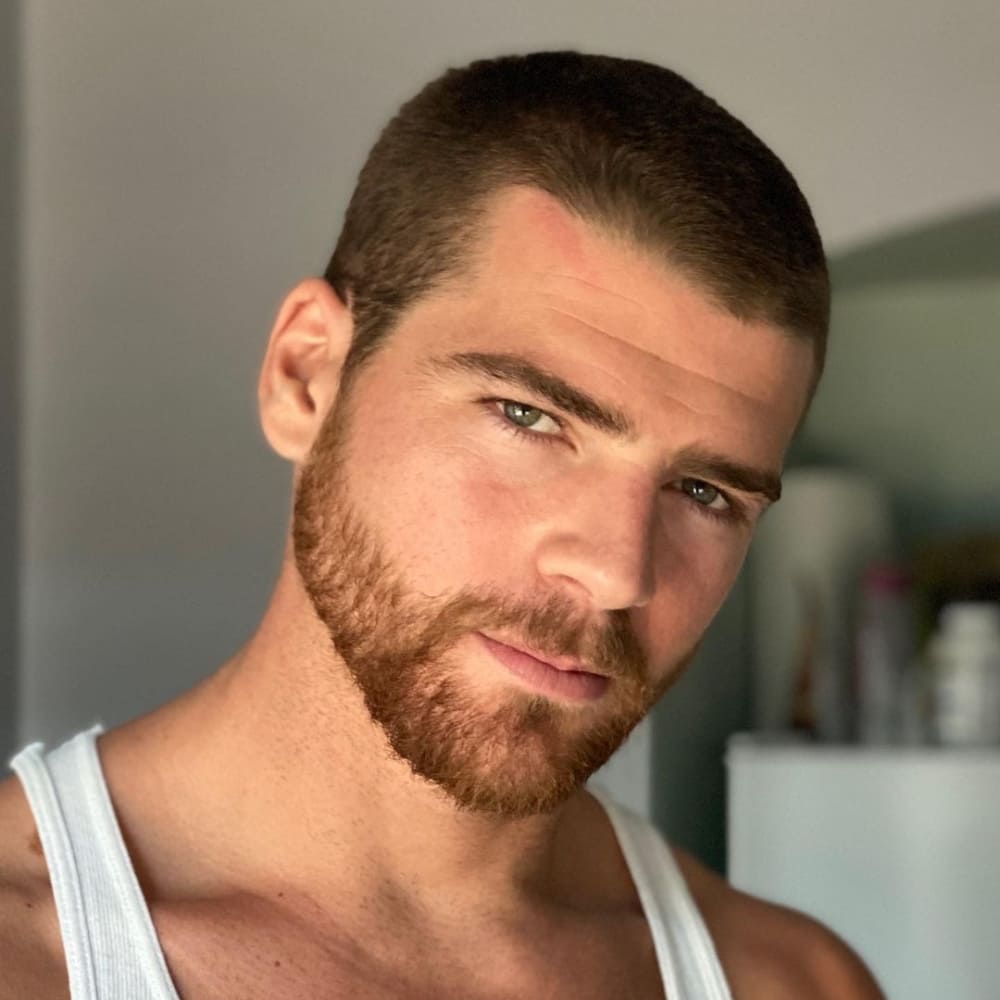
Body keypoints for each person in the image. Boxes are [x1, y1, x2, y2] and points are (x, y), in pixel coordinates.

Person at [0, 51, 885, 998]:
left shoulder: (792, 983)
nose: (617, 570)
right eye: (529, 417)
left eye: (706, 493)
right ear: (306, 377)